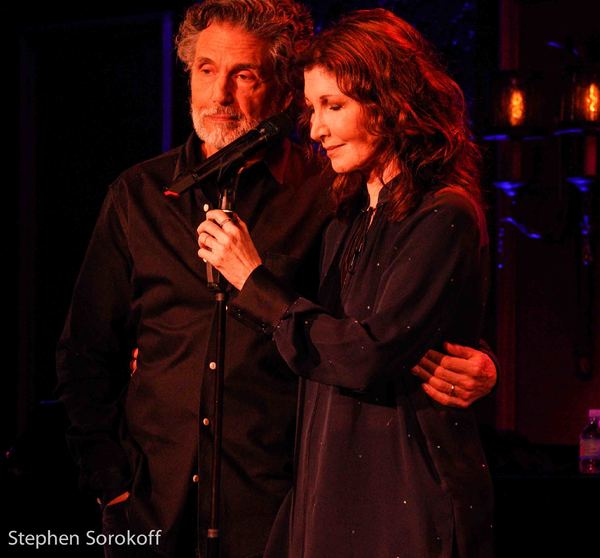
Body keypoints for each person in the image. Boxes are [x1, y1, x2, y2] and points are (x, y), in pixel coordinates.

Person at [56, 2, 496, 557]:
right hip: (153, 506)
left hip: (281, 507)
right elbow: (86, 351)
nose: (219, 96)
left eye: (244, 75)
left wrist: (480, 360)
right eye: (206, 70)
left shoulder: (330, 190)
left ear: (283, 90)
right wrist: (111, 487)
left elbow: (389, 310)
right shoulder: (138, 195)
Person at [197, 7, 494, 558]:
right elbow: (316, 334)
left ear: (391, 103)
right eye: (312, 109)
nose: (316, 129)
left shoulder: (443, 213)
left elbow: (367, 352)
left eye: (334, 107)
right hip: (329, 474)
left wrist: (250, 276)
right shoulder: (349, 215)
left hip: (401, 484)